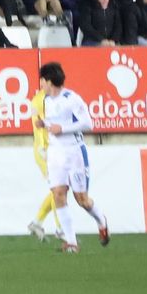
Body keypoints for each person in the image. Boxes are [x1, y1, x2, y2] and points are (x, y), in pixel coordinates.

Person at [36, 61, 109, 254]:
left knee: (82, 199)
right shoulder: (46, 100)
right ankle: (71, 242)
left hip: (74, 152)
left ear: (49, 81)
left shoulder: (72, 99)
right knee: (58, 194)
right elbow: (55, 122)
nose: (40, 84)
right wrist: (45, 124)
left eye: (42, 80)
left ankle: (101, 221)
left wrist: (62, 129)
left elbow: (88, 124)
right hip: (55, 152)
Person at [26, 86, 59, 243]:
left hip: (54, 149)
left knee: (59, 189)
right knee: (58, 189)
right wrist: (42, 148)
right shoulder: (39, 100)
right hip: (44, 151)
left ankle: (37, 222)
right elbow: (37, 126)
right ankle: (61, 229)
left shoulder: (54, 98)